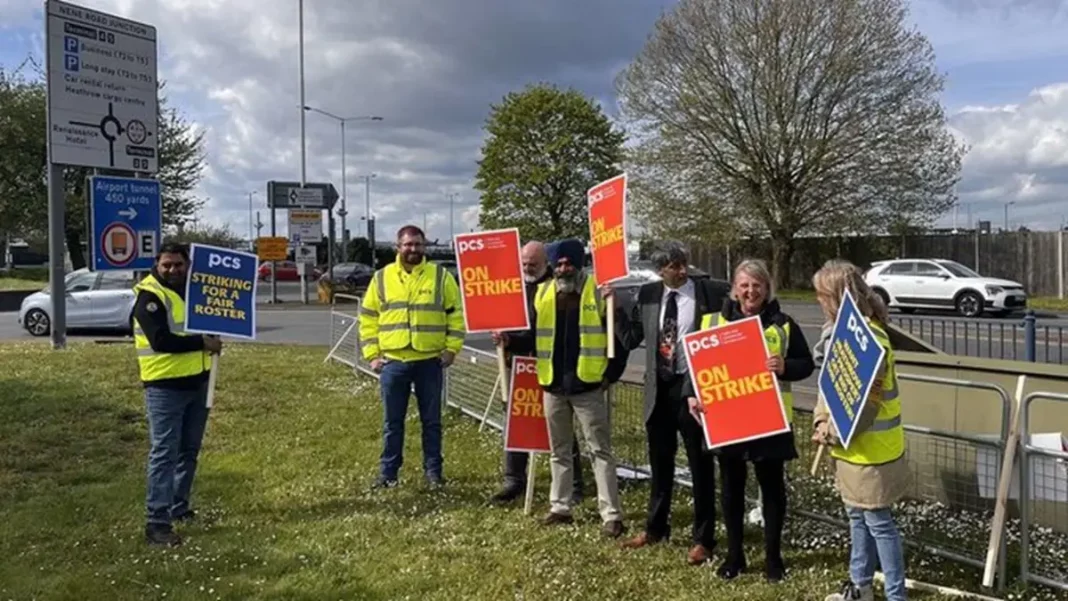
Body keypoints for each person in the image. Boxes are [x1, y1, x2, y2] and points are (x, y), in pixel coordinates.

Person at [684, 258, 815, 582]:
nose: (750, 291)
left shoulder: (783, 324)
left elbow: (806, 364)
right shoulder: (711, 321)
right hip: (727, 421)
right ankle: (735, 555)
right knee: (731, 490)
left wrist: (785, 366)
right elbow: (692, 365)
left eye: (757, 285)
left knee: (772, 491)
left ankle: (773, 558)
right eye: (744, 285)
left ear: (766, 289)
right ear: (734, 289)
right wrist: (691, 394)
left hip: (768, 422)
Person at [492, 238, 629, 538]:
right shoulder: (542, 294)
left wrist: (610, 375)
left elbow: (622, 340)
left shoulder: (598, 291)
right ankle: (560, 507)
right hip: (552, 386)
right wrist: (509, 341)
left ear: (579, 264)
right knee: (559, 451)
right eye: (560, 263)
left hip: (588, 387)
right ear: (553, 266)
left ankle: (612, 514)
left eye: (570, 263)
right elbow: (532, 337)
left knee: (600, 452)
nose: (564, 268)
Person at [618, 241, 730, 565]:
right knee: (660, 464)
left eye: (684, 264)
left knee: (700, 465)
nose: (682, 270)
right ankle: (655, 529)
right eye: (674, 266)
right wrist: (613, 310)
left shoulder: (710, 293)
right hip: (660, 390)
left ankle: (703, 539)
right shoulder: (650, 294)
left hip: (694, 389)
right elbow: (631, 338)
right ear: (660, 270)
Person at [811, 261, 909, 601]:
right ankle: (860, 587)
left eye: (822, 295)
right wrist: (821, 421)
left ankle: (896, 595)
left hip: (874, 452)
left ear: (838, 296)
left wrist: (834, 432)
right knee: (857, 519)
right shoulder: (840, 333)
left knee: (880, 525)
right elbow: (830, 385)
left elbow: (866, 403)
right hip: (851, 452)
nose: (818, 301)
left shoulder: (871, 339)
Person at [358, 225, 466, 489]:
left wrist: (452, 349)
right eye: (408, 245)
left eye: (418, 244)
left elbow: (456, 314)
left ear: (424, 246)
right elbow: (368, 318)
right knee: (392, 423)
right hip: (393, 363)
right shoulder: (382, 278)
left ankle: (433, 472)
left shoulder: (440, 277)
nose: (413, 249)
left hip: (430, 361)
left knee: (432, 422)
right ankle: (388, 473)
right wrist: (372, 355)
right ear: (398, 247)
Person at [132, 243, 222, 547]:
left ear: (188, 265)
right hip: (164, 388)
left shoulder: (194, 292)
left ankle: (179, 508)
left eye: (179, 265)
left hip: (197, 383)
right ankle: (157, 524)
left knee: (188, 452)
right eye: (167, 264)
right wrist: (202, 343)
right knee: (164, 455)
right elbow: (160, 340)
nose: (173, 270)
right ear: (156, 264)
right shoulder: (149, 298)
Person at [488, 240, 586, 506]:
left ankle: (575, 485)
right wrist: (503, 338)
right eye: (524, 264)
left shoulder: (557, 289)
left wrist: (515, 340)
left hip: (549, 365)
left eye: (533, 264)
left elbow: (542, 333)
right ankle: (513, 479)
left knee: (561, 425)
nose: (528, 268)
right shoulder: (512, 288)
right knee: (515, 421)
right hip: (516, 365)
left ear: (546, 263)